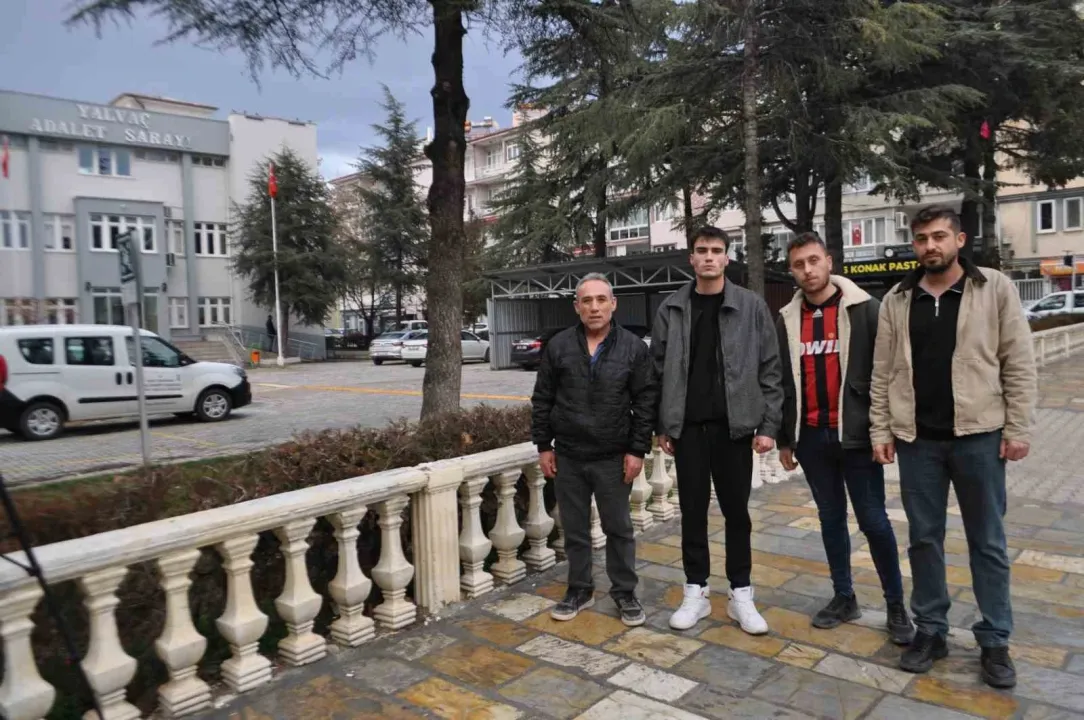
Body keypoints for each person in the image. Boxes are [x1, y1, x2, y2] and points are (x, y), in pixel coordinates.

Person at [870, 205, 1036, 688]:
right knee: (924, 540)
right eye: (922, 238)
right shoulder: (898, 299)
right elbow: (883, 372)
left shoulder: (993, 288)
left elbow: (1018, 361)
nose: (930, 246)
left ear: (959, 241)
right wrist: (881, 430)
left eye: (939, 236)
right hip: (918, 442)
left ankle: (995, 639)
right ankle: (931, 630)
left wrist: (1018, 428)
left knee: (988, 541)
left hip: (979, 438)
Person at [775, 232, 914, 645]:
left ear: (829, 261)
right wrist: (786, 438)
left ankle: (895, 605)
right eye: (799, 264)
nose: (808, 270)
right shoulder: (787, 318)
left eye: (813, 260)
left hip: (856, 437)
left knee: (874, 520)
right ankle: (844, 597)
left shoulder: (865, 309)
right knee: (830, 518)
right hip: (811, 437)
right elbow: (782, 381)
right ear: (792, 270)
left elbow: (887, 372)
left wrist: (884, 429)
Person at [652, 226, 783, 635]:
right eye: (701, 250)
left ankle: (741, 594)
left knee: (736, 513)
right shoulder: (672, 308)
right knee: (692, 512)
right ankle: (696, 591)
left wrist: (769, 424)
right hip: (688, 429)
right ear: (691, 258)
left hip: (735, 428)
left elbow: (771, 368)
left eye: (716, 250)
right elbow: (657, 370)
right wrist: (662, 423)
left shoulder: (751, 306)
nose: (709, 257)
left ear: (727, 257)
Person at [531, 273, 658, 627]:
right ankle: (579, 589)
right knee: (574, 530)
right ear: (577, 307)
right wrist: (543, 446)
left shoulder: (633, 348)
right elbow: (542, 399)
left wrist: (637, 450)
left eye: (601, 299)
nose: (594, 307)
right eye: (587, 301)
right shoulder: (559, 346)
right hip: (569, 455)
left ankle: (624, 592)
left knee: (619, 529)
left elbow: (646, 401)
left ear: (613, 304)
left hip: (613, 458)